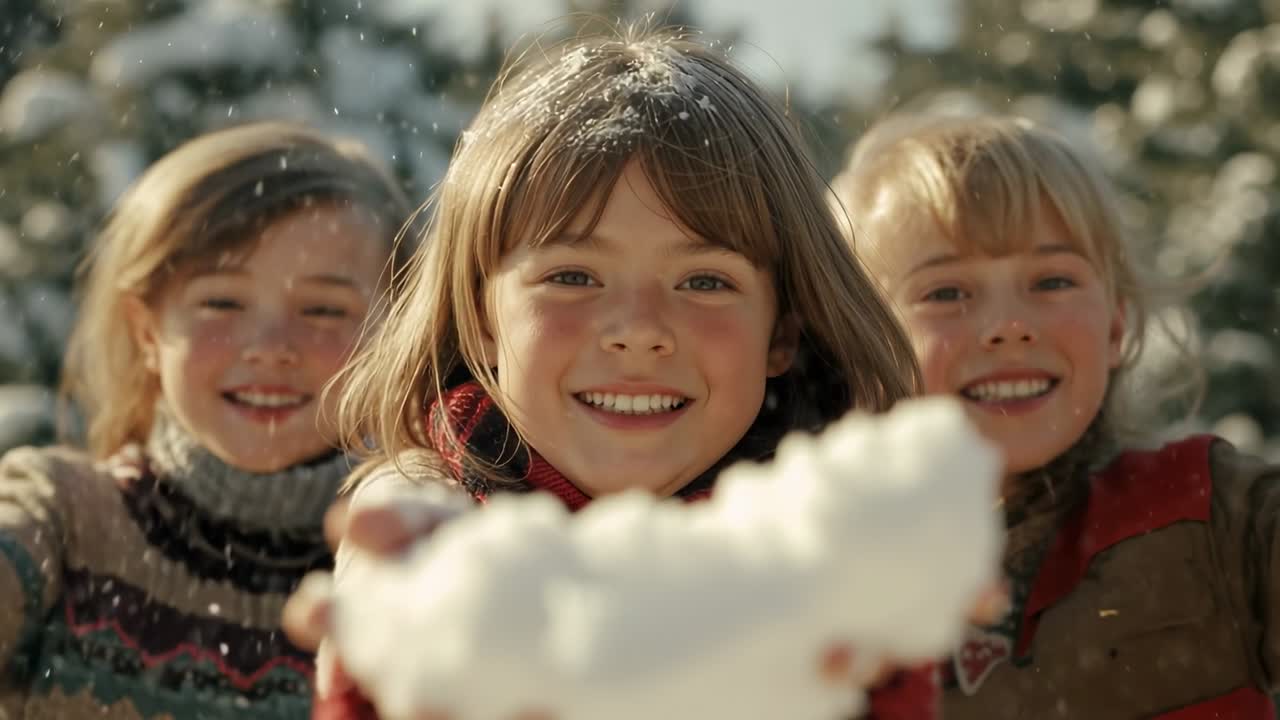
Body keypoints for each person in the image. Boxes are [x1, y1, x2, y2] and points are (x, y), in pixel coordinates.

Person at [284, 21, 965, 720]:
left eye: (703, 282)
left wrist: (878, 659)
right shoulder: (428, 562)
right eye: (574, 275)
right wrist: (382, 676)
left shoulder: (833, 564)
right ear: (482, 318)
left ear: (781, 332)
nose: (638, 331)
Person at [832, 112, 1280, 718]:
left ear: (1116, 325)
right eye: (947, 292)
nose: (1010, 326)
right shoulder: (824, 580)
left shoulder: (1212, 513)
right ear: (859, 342)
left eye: (1051, 281)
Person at [0, 121, 413, 720]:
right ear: (147, 332)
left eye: (323, 309)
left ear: (394, 333)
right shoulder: (62, 518)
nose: (270, 347)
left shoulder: (407, 565)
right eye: (221, 301)